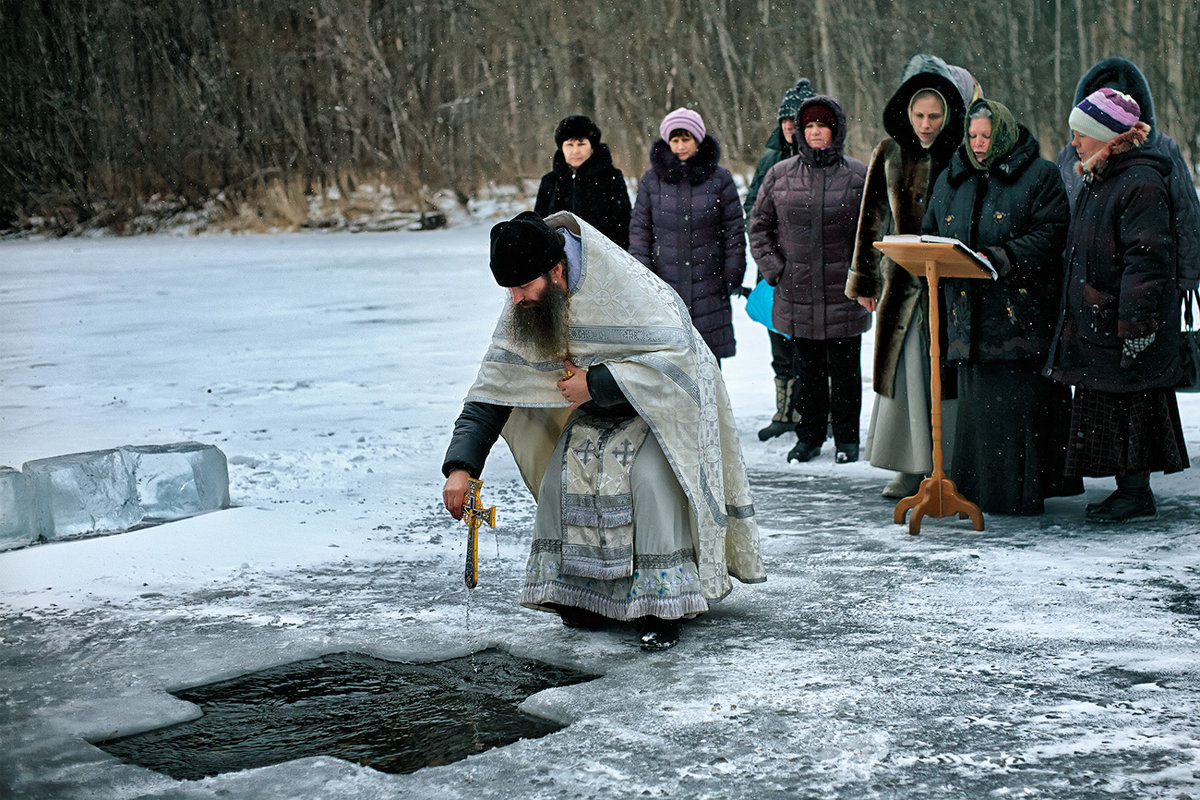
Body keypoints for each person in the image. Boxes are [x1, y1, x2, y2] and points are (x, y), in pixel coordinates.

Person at [441, 210, 765, 650]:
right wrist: (461, 466)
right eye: (509, 290)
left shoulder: (627, 286)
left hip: (661, 409)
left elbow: (678, 361)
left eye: (522, 288)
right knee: (561, 476)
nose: (515, 300)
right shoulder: (528, 301)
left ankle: (660, 605)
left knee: (648, 480)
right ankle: (581, 596)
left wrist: (594, 382)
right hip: (596, 409)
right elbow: (494, 388)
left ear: (556, 270)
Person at [921, 98, 1081, 514]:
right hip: (967, 316)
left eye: (986, 136)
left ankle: (1020, 493)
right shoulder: (951, 178)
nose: (978, 144)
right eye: (972, 135)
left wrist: (1003, 256)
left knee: (1016, 411)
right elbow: (931, 231)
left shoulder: (1039, 175)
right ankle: (978, 493)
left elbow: (1053, 232)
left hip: (1019, 320)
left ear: (1004, 134)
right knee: (979, 414)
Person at [1044, 88, 1189, 522]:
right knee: (1116, 406)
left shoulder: (1138, 182)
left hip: (1120, 320)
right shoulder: (1104, 174)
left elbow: (1147, 260)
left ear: (1108, 136)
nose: (1075, 142)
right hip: (1101, 316)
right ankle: (1129, 490)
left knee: (1132, 407)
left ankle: (1135, 493)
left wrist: (1136, 324)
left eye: (1082, 134)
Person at [844, 54, 969, 498]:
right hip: (901, 282)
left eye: (934, 115)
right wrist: (864, 281)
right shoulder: (890, 151)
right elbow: (871, 217)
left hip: (954, 281)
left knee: (947, 371)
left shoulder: (963, 153)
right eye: (919, 115)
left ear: (948, 114)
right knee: (905, 372)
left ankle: (948, 463)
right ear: (907, 112)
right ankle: (909, 465)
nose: (926, 124)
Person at [749, 94, 868, 464]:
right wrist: (776, 271)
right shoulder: (780, 175)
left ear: (836, 130)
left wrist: (864, 278)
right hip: (796, 291)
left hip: (843, 292)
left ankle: (847, 440)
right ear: (800, 132)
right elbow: (759, 227)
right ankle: (809, 438)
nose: (816, 132)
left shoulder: (858, 175)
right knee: (808, 373)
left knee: (846, 372)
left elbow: (875, 232)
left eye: (823, 125)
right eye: (810, 126)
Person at [1054, 57, 1199, 294]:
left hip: (1148, 290)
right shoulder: (1071, 156)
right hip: (1083, 288)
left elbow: (1186, 215)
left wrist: (1188, 278)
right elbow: (1059, 218)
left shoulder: (1161, 152)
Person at [630, 108, 746, 363]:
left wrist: (732, 271)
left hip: (710, 283)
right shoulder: (652, 180)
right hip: (665, 283)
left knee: (708, 363)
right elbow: (640, 230)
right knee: (671, 364)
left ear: (698, 140)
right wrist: (645, 274)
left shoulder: (720, 178)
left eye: (686, 139)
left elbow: (734, 230)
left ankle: (710, 406)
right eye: (675, 140)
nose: (680, 146)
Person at [744, 78, 818, 441]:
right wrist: (770, 255)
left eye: (797, 118)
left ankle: (816, 411)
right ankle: (784, 410)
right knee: (780, 342)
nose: (790, 125)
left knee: (814, 344)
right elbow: (752, 210)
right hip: (774, 269)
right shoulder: (771, 159)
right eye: (785, 119)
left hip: (815, 270)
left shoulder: (824, 160)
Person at [534, 115, 632, 250]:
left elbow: (623, 224)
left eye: (581, 144)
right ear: (561, 148)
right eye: (569, 144)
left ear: (592, 147)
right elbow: (540, 224)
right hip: (560, 259)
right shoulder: (550, 181)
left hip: (602, 255)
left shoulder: (611, 178)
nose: (575, 151)